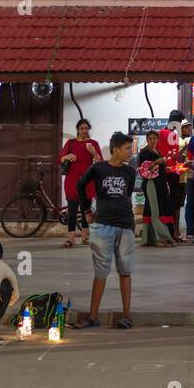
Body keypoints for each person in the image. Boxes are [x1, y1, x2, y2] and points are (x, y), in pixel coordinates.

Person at [75, 131, 138, 328]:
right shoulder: (98, 168)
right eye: (127, 149)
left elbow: (126, 196)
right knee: (101, 273)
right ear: (116, 150)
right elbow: (80, 186)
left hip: (126, 225)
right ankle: (93, 316)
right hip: (102, 225)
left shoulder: (130, 171)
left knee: (125, 271)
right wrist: (87, 211)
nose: (130, 152)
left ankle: (127, 316)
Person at [58, 119, 101, 248]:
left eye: (86, 128)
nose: (84, 131)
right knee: (71, 210)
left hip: (87, 181)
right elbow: (59, 158)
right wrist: (66, 156)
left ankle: (85, 237)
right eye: (81, 128)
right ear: (77, 129)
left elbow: (100, 162)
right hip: (72, 181)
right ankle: (71, 239)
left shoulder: (93, 143)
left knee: (85, 210)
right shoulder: (71, 143)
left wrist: (93, 152)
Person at [137, 130, 176, 247]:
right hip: (151, 183)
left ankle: (149, 239)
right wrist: (157, 162)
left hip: (159, 183)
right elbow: (144, 169)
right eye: (150, 138)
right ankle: (162, 238)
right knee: (156, 210)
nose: (152, 140)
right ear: (147, 139)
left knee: (150, 209)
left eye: (154, 138)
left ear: (158, 139)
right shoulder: (145, 152)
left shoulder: (156, 151)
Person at [158, 110, 186, 239]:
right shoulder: (173, 136)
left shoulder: (158, 134)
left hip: (160, 172)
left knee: (162, 202)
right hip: (172, 172)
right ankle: (175, 232)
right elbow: (176, 157)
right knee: (175, 203)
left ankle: (164, 231)